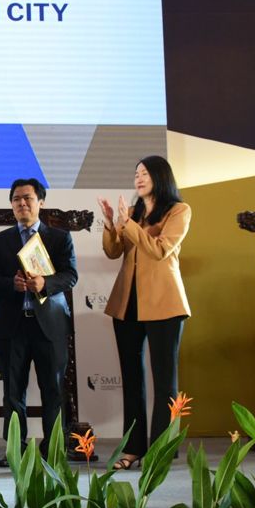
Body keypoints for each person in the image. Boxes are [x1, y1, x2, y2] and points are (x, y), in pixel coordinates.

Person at [98, 155, 191, 470]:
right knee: (132, 379)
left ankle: (161, 451)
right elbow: (113, 252)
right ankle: (132, 449)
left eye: (145, 173)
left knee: (165, 382)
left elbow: (160, 250)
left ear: (160, 176)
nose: (138, 178)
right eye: (136, 172)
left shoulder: (179, 211)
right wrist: (112, 223)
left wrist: (129, 224)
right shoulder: (133, 213)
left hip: (165, 304)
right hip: (128, 303)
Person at [0, 178, 77, 466]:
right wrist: (11, 284)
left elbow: (70, 275)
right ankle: (16, 448)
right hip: (12, 326)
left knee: (53, 389)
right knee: (13, 392)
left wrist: (44, 283)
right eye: (16, 199)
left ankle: (54, 448)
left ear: (41, 202)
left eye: (27, 198)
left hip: (49, 326)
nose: (22, 204)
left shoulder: (60, 238)